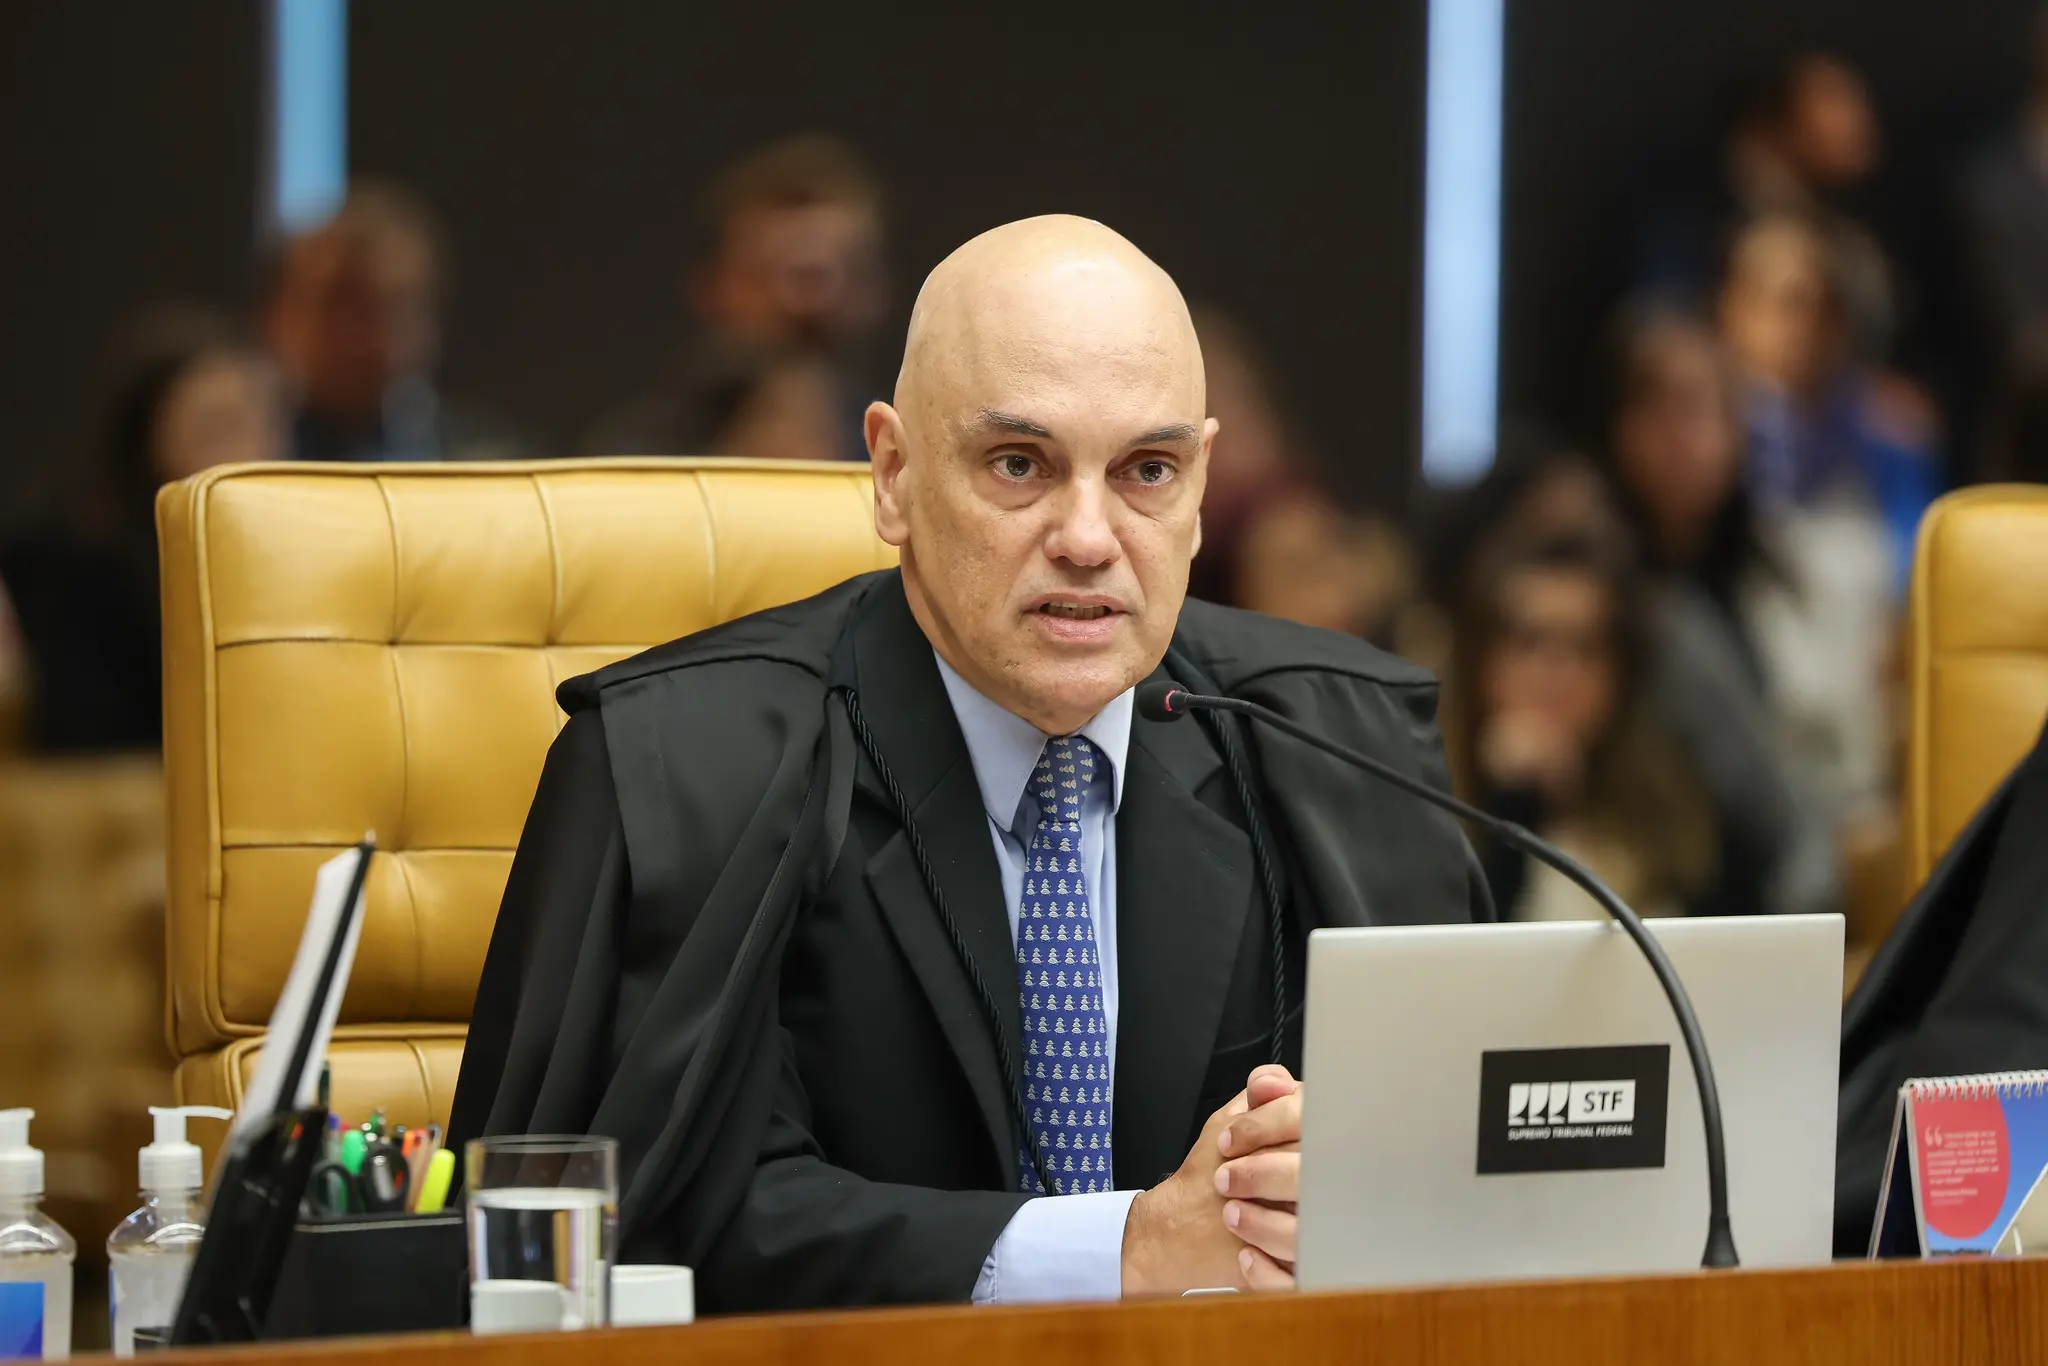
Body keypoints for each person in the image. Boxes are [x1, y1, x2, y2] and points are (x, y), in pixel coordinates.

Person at [451, 216, 1483, 1311]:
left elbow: (1474, 1171)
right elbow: (652, 1213)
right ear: (892, 473)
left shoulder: (1331, 744)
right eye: (1018, 464)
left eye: (1147, 470)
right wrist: (1124, 1250)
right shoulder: (679, 768)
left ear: (1199, 491)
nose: (1088, 538)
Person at [0, 307, 286, 752]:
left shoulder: (289, 557)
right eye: (217, 428)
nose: (251, 453)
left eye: (261, 425)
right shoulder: (71, 561)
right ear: (148, 438)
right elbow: (86, 735)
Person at [1446, 533, 1719, 921]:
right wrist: (1513, 804)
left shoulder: (1669, 807)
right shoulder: (1423, 804)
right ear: (1480, 659)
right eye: (1530, 641)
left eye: (1584, 646)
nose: (1556, 672)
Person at [583, 135, 889, 462]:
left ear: (877, 289)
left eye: (837, 272)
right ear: (712, 286)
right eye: (766, 271)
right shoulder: (631, 459)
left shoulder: (913, 452)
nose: (806, 301)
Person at [1716, 210, 1937, 593]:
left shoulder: (1889, 431)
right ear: (1731, 307)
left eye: (1827, 306)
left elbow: (1916, 570)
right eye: (1789, 303)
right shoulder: (1707, 434)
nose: (1808, 325)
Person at [263, 181, 537, 463]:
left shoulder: (493, 465)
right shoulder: (241, 461)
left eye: (393, 310)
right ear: (276, 312)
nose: (363, 343)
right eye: (339, 308)